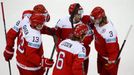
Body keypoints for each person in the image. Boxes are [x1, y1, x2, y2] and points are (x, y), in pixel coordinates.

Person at [90, 6, 120, 75]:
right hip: (101, 54)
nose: (92, 20)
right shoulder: (98, 22)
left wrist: (111, 61)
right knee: (100, 72)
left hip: (109, 59)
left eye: (94, 19)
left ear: (101, 18)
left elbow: (113, 49)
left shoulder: (109, 32)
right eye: (92, 18)